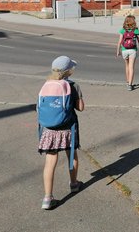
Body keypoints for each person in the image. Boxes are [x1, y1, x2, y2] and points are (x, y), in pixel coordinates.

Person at [38, 55, 85, 210]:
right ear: (68, 71)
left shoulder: (47, 84)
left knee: (50, 161)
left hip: (49, 129)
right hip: (68, 127)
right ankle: (74, 184)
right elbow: (81, 107)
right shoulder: (72, 85)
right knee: (71, 155)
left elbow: (39, 107)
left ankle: (47, 198)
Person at [116, 15, 139, 91]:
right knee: (131, 67)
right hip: (133, 50)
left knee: (127, 66)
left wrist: (118, 51)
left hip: (124, 50)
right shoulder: (136, 30)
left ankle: (127, 82)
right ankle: (130, 85)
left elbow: (119, 41)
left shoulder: (122, 30)